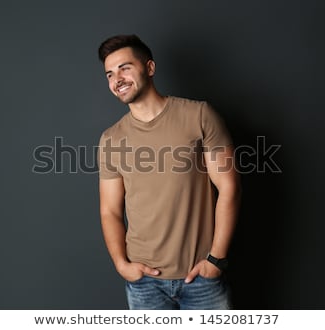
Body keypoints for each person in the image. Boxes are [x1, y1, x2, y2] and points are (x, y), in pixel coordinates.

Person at [97, 34, 241, 310]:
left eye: (125, 67)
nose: (117, 79)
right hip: (144, 284)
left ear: (149, 68)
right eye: (110, 74)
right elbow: (110, 211)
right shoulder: (111, 139)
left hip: (201, 279)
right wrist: (121, 264)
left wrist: (216, 260)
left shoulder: (199, 115)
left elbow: (229, 187)